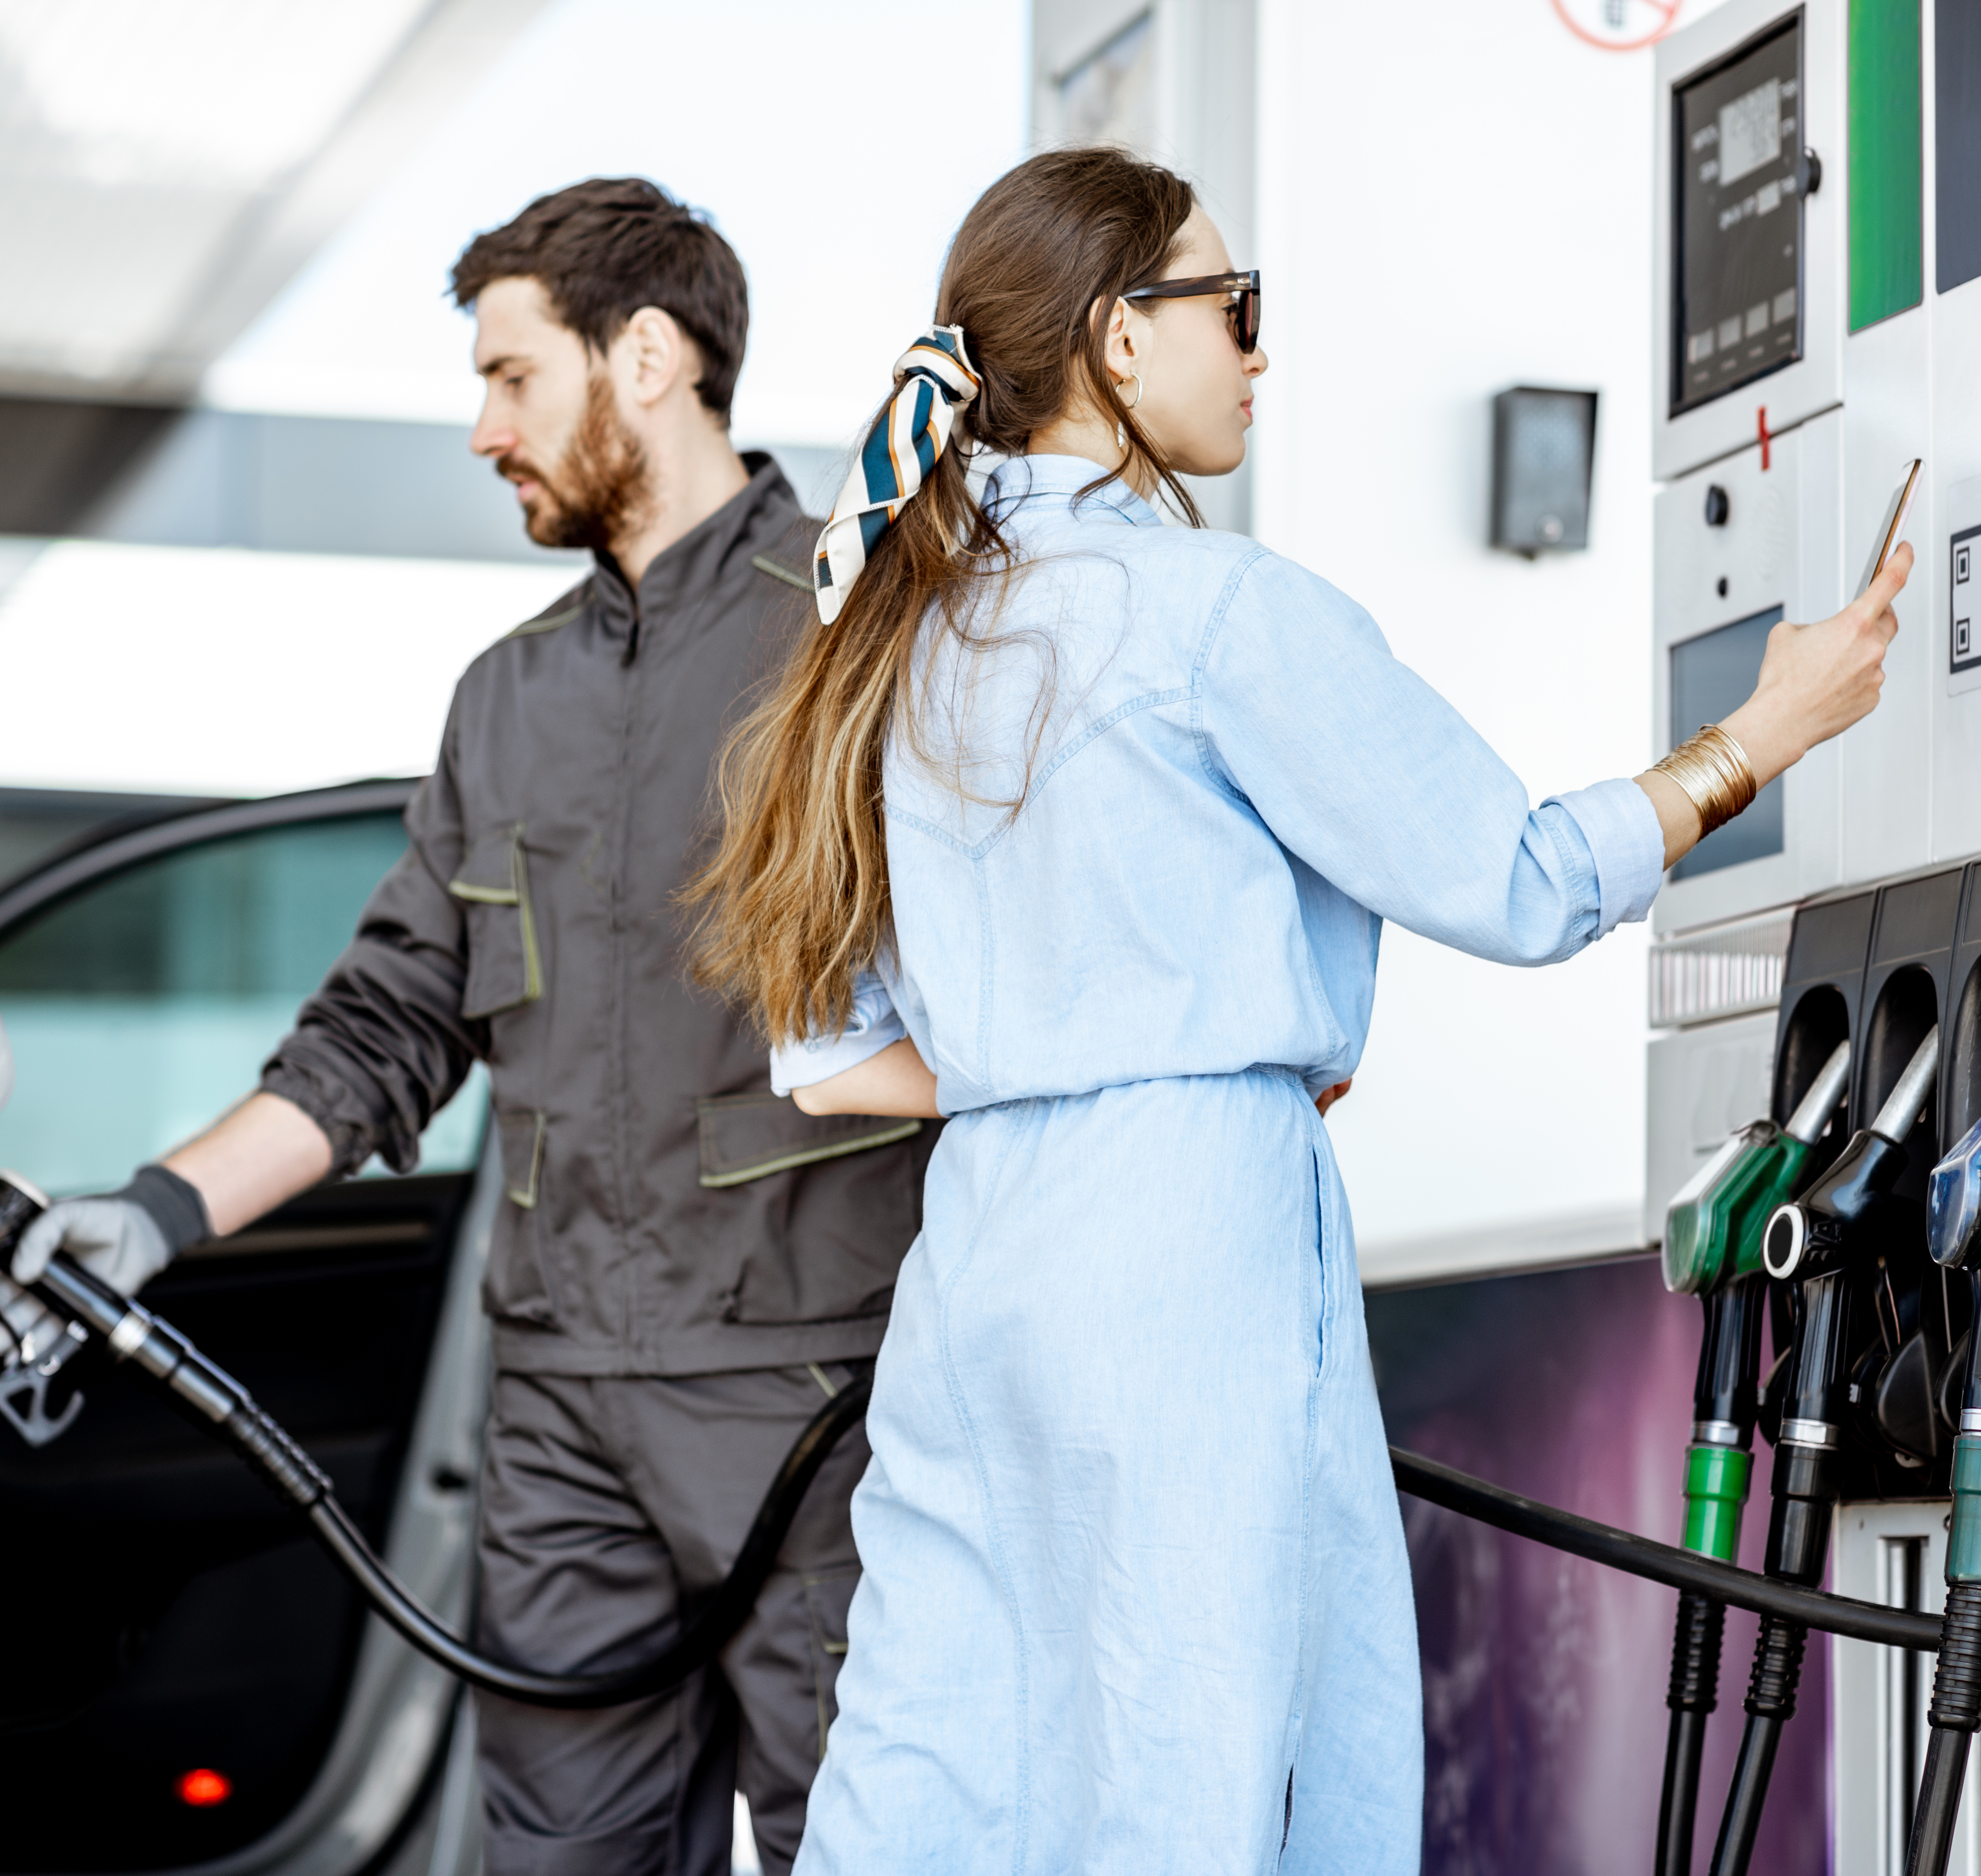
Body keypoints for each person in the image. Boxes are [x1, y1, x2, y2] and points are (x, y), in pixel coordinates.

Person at [685, 146, 1910, 1871]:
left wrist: (1048, 1060)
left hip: (984, 1248)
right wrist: (1758, 736)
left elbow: (822, 1064)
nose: (1258, 352)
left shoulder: (902, 636)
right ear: (1120, 339)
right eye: (1232, 309)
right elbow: (1519, 880)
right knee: (1197, 1757)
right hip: (1186, 1230)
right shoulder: (1215, 613)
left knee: (946, 1751)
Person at [13, 179, 935, 1876]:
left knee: (862, 1846)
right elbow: (386, 1028)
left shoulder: (858, 633)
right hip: (564, 1416)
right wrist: (153, 1213)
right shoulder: (505, 699)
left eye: (514, 377)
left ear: (644, 356)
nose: (482, 429)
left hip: (822, 1403)